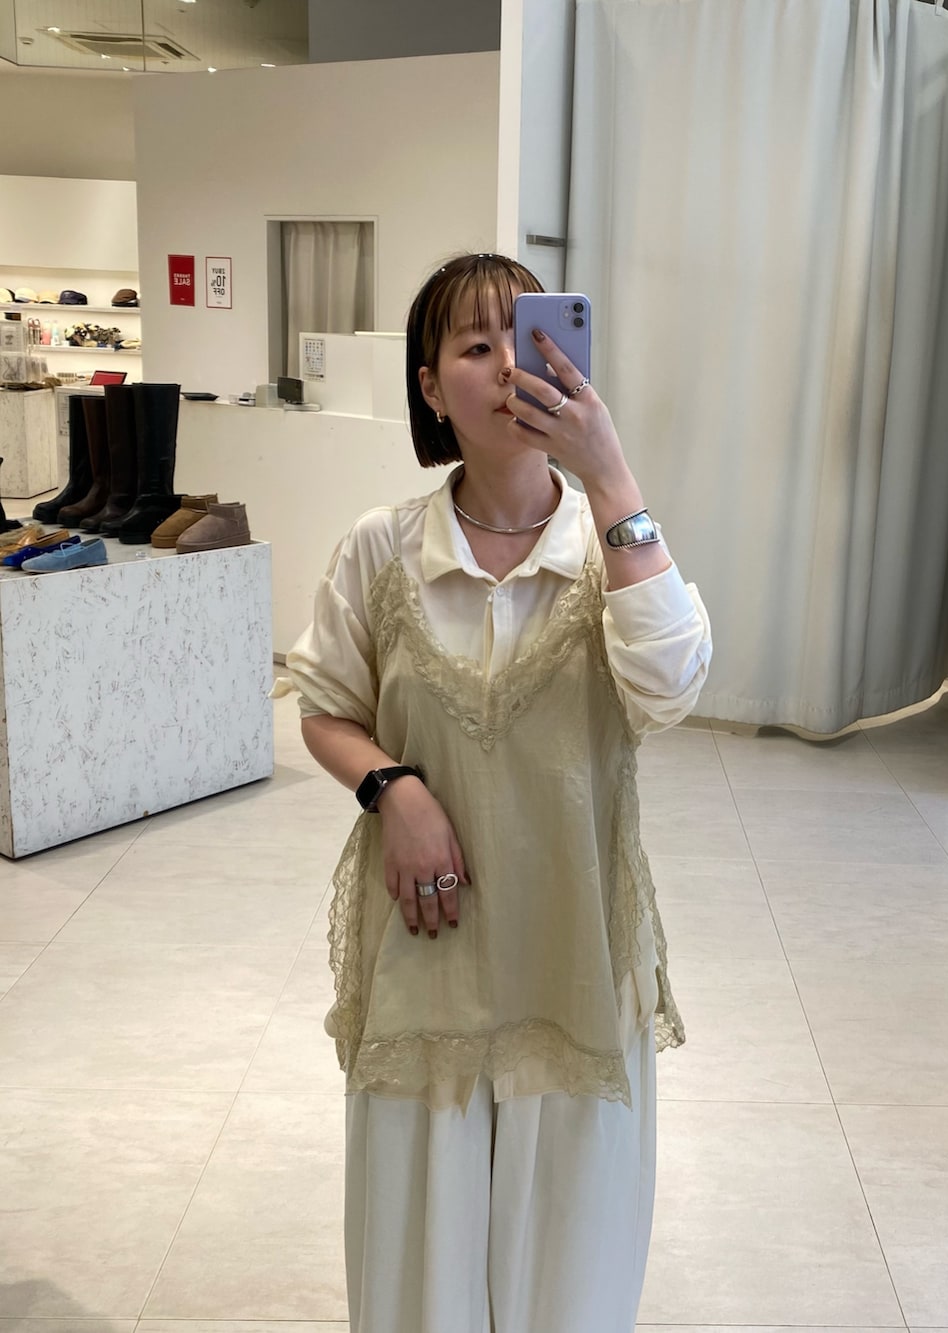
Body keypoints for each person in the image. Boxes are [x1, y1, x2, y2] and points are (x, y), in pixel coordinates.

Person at [280, 252, 712, 1333]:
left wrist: (612, 477)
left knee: (569, 1278)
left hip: (575, 956)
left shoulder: (612, 548)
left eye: (532, 340)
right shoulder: (381, 549)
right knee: (416, 1278)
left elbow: (670, 689)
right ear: (431, 387)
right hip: (426, 956)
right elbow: (325, 706)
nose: (513, 367)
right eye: (479, 346)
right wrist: (394, 788)